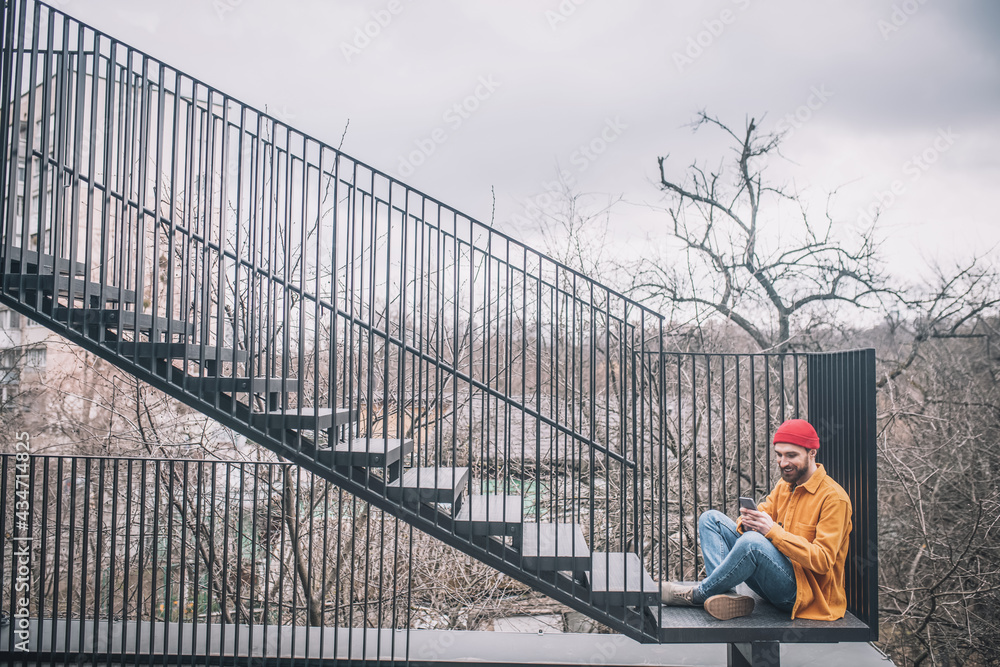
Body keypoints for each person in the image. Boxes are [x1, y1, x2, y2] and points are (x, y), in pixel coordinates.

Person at [660, 419, 853, 621]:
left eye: (791, 455)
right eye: (779, 455)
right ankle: (724, 596)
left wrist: (772, 532)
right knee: (711, 519)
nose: (783, 462)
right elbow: (763, 513)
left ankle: (699, 594)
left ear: (812, 452)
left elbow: (823, 561)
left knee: (752, 543)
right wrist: (748, 521)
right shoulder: (785, 486)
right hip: (772, 579)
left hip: (803, 597)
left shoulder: (834, 498)